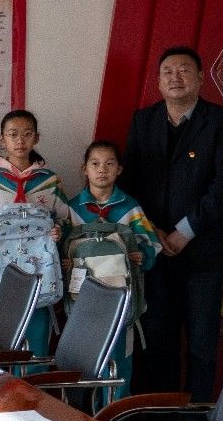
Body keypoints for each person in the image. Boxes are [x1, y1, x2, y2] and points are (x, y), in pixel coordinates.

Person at [120, 46, 223, 401]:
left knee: (202, 344)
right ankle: (161, 420)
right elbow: (130, 184)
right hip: (155, 251)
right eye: (168, 71)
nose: (176, 77)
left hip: (204, 254)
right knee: (158, 341)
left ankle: (197, 419)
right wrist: (152, 231)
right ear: (158, 82)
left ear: (201, 77)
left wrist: (183, 232)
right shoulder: (143, 121)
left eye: (184, 70)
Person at [0, 109, 70, 360]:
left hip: (40, 272)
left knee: (36, 340)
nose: (20, 141)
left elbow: (64, 220)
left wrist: (59, 232)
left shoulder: (50, 182)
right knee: (2, 340)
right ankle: (5, 384)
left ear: (36, 138)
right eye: (13, 134)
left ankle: (33, 383)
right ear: (1, 139)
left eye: (27, 134)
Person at [64, 140, 159, 400]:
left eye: (109, 163)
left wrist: (143, 255)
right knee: (82, 364)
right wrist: (64, 262)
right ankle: (83, 415)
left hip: (122, 301)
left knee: (119, 365)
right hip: (82, 302)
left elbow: (152, 245)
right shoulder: (71, 209)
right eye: (95, 163)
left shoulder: (130, 207)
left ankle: (115, 416)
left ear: (119, 169)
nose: (102, 170)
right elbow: (60, 248)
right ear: (84, 169)